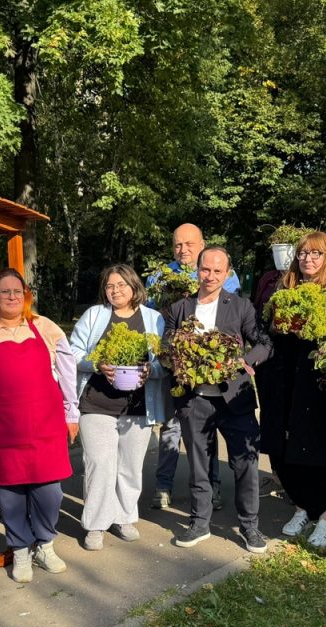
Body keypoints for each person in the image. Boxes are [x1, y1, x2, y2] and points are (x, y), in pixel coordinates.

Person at [0, 268, 80, 583]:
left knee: (50, 492)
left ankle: (45, 544)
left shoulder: (46, 328)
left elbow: (67, 373)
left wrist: (72, 413)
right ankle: (21, 551)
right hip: (3, 429)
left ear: (26, 296)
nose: (12, 296)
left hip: (46, 426)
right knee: (10, 495)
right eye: (4, 292)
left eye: (17, 291)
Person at [163, 246, 272, 553]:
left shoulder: (241, 306)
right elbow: (166, 345)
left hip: (234, 399)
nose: (210, 276)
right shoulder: (180, 308)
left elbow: (263, 342)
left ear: (228, 273)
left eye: (217, 271)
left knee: (245, 465)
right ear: (197, 270)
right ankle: (199, 522)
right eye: (205, 269)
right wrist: (176, 357)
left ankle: (250, 525)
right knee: (199, 464)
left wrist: (245, 361)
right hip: (194, 400)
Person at [258, 231, 326, 548]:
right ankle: (301, 507)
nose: (308, 259)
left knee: (319, 449)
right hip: (283, 380)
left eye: (316, 254)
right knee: (282, 447)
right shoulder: (283, 289)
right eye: (303, 254)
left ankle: (323, 516)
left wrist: (316, 326)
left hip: (319, 384)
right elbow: (267, 330)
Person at [70, 265, 169, 550]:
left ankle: (124, 517)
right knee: (99, 463)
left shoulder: (153, 319)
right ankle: (96, 524)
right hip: (96, 402)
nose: (115, 291)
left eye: (121, 285)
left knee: (129, 466)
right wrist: (96, 365)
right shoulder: (95, 315)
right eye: (110, 286)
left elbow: (165, 361)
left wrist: (153, 370)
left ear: (134, 286)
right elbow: (73, 352)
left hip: (138, 407)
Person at [147, 223, 238, 512]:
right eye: (177, 245)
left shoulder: (226, 274)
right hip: (174, 361)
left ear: (202, 244)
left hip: (208, 365)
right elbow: (151, 315)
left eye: (189, 244)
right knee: (171, 427)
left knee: (207, 427)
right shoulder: (160, 277)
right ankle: (163, 487)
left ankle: (213, 487)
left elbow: (230, 310)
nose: (183, 250)